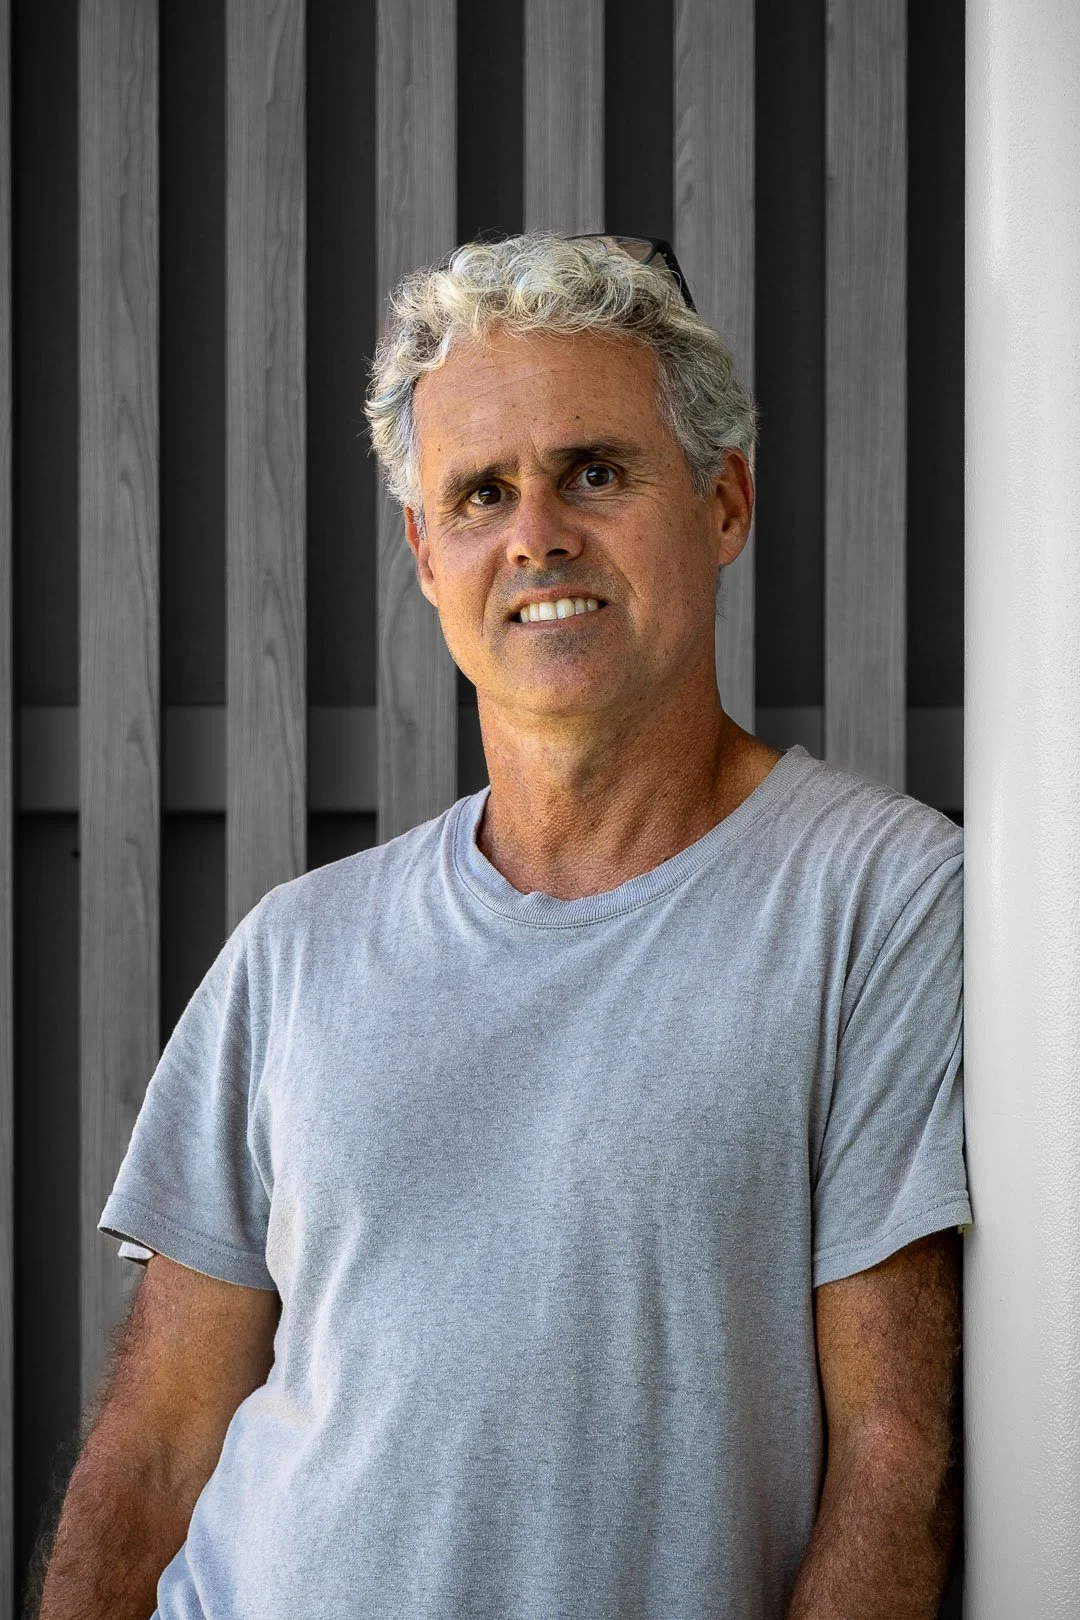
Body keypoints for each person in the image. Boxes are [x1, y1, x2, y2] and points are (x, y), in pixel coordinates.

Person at [38, 233, 971, 1620]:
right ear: (428, 557)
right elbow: (156, 1439)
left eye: (594, 473)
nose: (536, 535)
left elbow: (894, 1467)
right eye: (482, 493)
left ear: (723, 503)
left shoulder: (879, 902)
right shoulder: (297, 948)